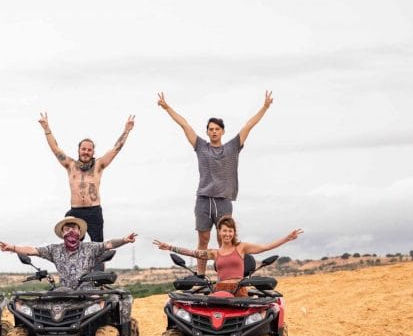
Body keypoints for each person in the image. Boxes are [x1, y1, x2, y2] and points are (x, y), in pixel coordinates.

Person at [157, 91, 274, 274]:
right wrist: (167, 108)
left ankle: (224, 277)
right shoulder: (201, 146)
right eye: (210, 129)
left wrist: (265, 107)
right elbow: (184, 125)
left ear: (222, 131)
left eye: (217, 129)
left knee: (224, 242)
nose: (213, 132)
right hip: (203, 199)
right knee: (203, 240)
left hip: (223, 199)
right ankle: (201, 277)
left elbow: (248, 126)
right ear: (207, 132)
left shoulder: (232, 147)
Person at [37, 112, 135, 248]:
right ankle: (74, 268)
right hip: (75, 211)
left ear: (93, 152)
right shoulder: (70, 165)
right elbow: (55, 149)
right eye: (83, 149)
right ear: (78, 150)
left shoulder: (99, 165)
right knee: (73, 246)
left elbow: (116, 149)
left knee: (98, 247)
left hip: (94, 210)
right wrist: (46, 129)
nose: (86, 152)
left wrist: (126, 130)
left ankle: (98, 269)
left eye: (89, 150)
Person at [153, 215, 302, 295]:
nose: (227, 233)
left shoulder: (241, 247)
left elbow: (266, 247)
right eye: (224, 230)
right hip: (220, 289)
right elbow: (193, 253)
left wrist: (287, 238)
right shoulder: (214, 253)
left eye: (230, 231)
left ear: (234, 233)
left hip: (239, 289)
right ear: (219, 231)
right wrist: (170, 247)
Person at [0, 217, 137, 289]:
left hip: (87, 291)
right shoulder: (54, 250)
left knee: (99, 308)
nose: (71, 231)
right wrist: (13, 248)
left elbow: (109, 244)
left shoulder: (90, 247)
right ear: (62, 233)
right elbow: (33, 250)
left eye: (74, 228)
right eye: (67, 229)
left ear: (80, 232)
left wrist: (124, 240)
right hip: (63, 292)